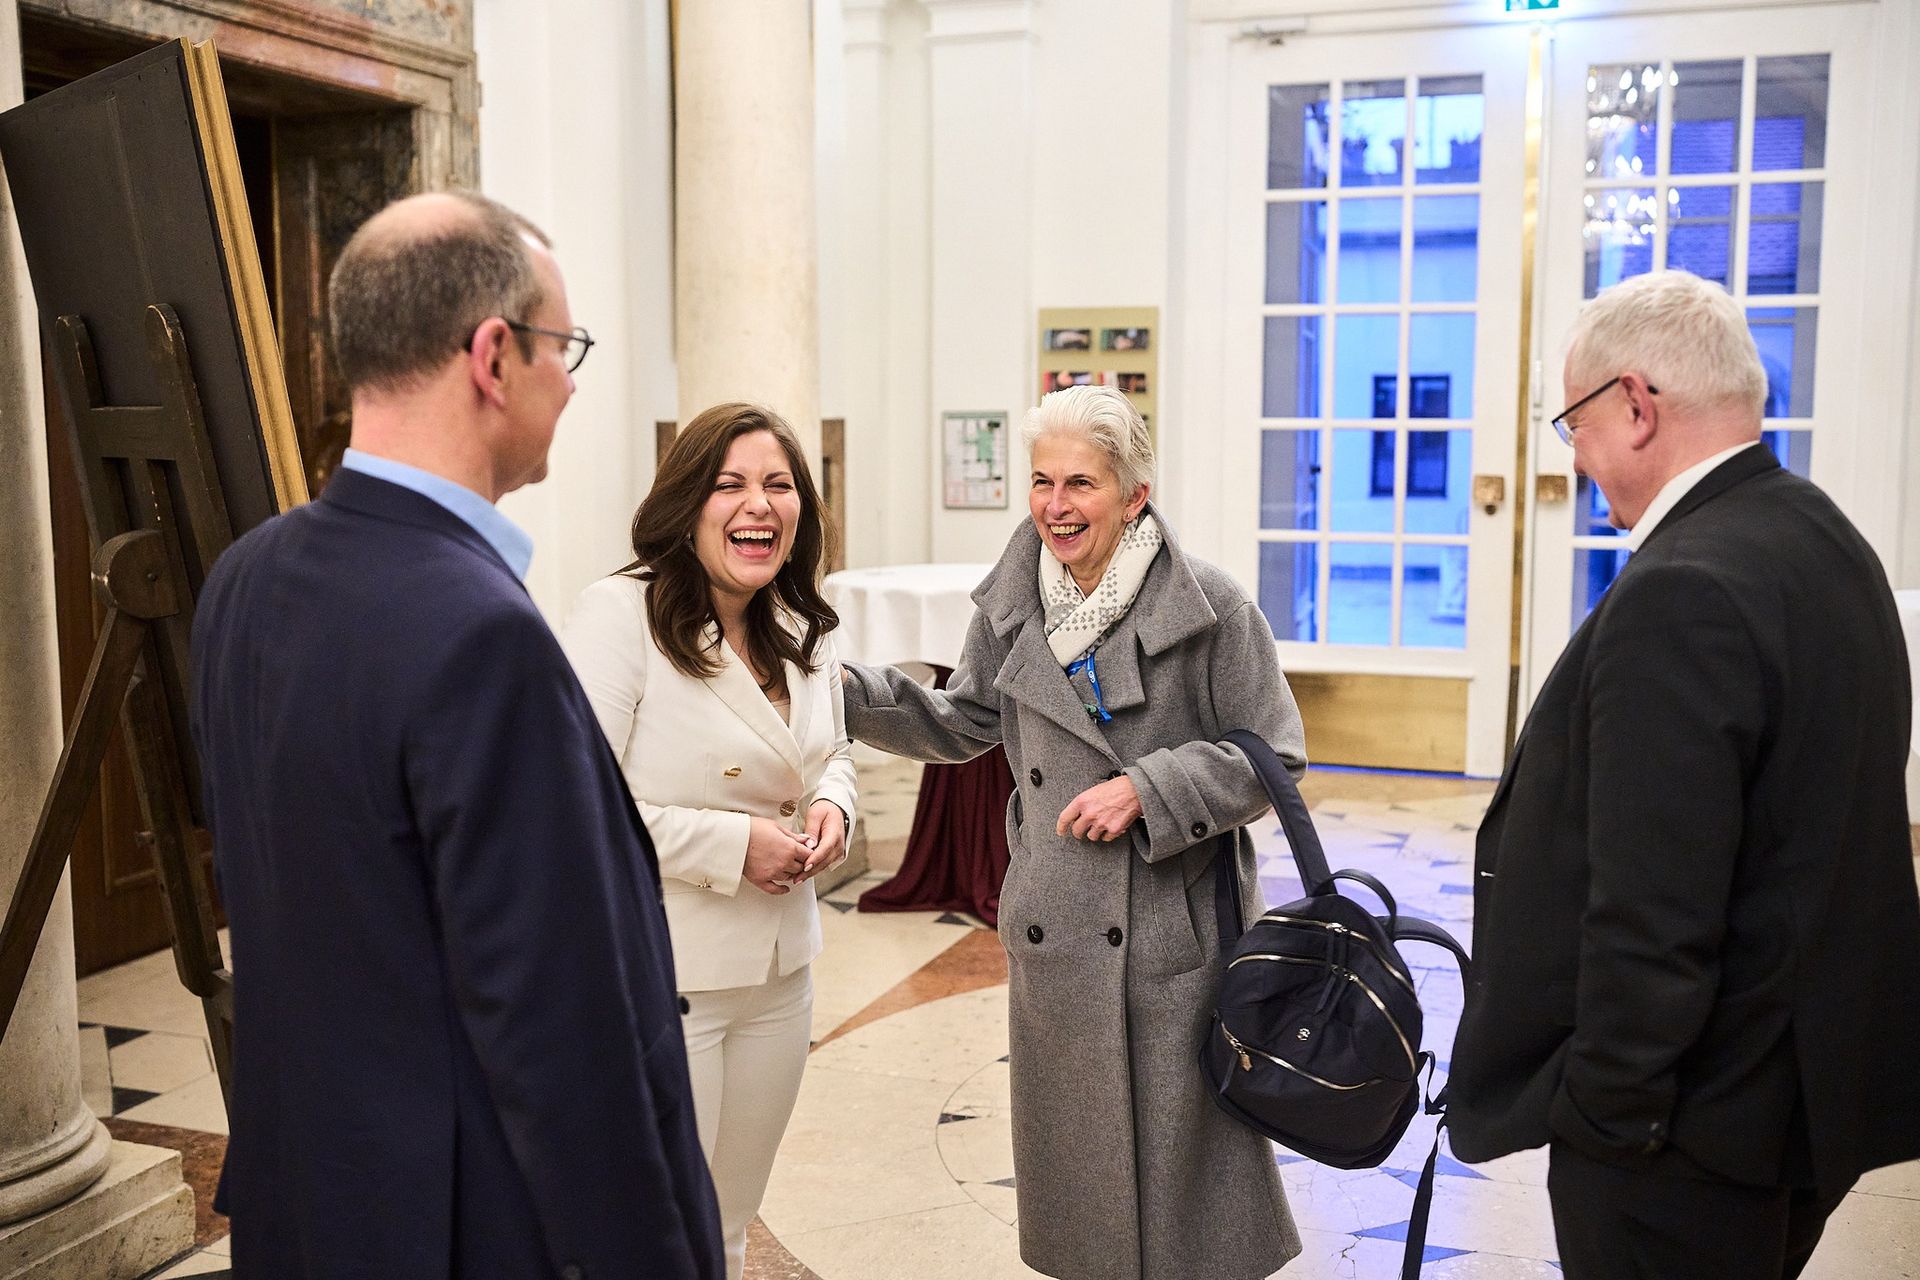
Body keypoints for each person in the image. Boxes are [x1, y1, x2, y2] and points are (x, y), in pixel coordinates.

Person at [189, 192, 724, 1280]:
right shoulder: (480, 632)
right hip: (462, 1229)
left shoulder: (243, 576)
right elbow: (559, 1027)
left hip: (313, 1205)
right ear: (492, 357)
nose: (569, 380)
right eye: (563, 346)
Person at [1448, 269, 1920, 1278]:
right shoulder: (1825, 537)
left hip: (1687, 1131)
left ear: (1635, 403)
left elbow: (1655, 910)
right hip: (1800, 1096)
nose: (1576, 457)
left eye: (1575, 424)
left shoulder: (1683, 591)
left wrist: (1606, 1117)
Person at [839, 384, 1305, 1280]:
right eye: (1042, 481)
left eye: (1081, 483)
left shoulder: (1211, 605)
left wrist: (1148, 788)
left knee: (1188, 1190)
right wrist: (848, 693)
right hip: (1055, 925)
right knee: (1081, 1186)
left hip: (1174, 932)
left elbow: (1276, 756)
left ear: (1134, 495)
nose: (1056, 505)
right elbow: (967, 721)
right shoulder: (1012, 604)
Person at [560, 402, 857, 1280]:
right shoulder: (621, 615)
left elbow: (833, 752)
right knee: (653, 1236)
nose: (758, 504)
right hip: (666, 977)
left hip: (782, 974)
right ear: (687, 505)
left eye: (778, 485)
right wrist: (733, 848)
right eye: (730, 484)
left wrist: (835, 805)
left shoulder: (804, 624)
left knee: (728, 1224)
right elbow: (576, 804)